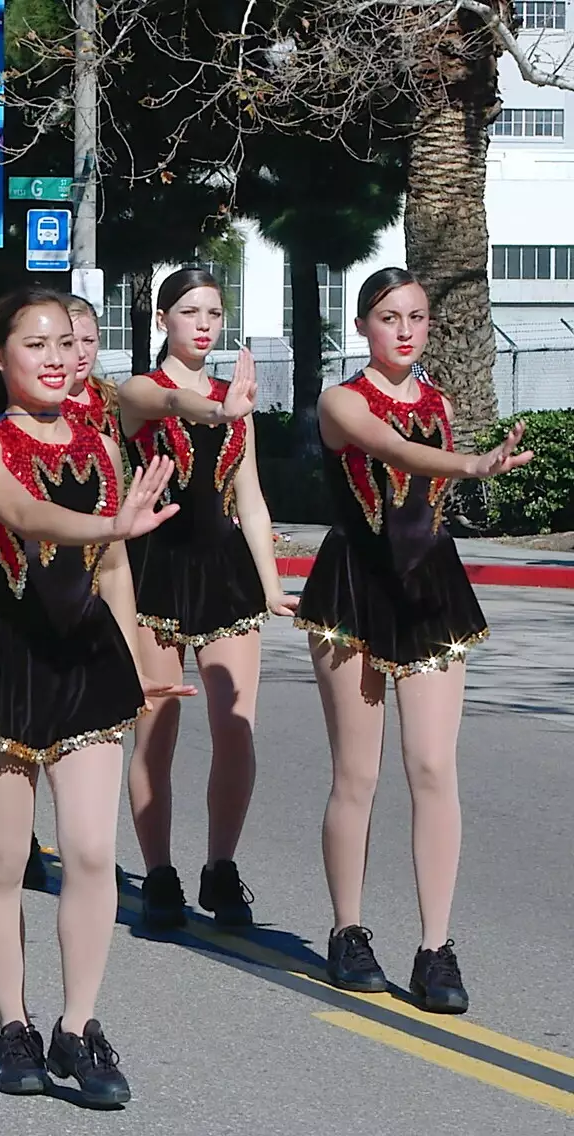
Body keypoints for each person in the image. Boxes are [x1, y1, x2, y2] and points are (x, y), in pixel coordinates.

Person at [0, 286, 193, 1103]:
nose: (57, 358)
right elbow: (29, 513)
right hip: (0, 660)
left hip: (87, 664)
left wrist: (139, 658)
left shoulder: (103, 449)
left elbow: (113, 572)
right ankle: (13, 1023)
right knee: (2, 859)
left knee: (93, 852)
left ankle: (78, 1025)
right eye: (34, 345)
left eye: (67, 344)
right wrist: (111, 528)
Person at [297, 269, 531, 1013]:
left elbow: (420, 474)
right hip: (355, 588)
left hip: (431, 586)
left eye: (418, 317)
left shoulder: (440, 402)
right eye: (390, 317)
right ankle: (348, 929)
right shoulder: (342, 401)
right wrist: (469, 464)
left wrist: (464, 460)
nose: (406, 330)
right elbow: (390, 449)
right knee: (357, 775)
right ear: (364, 325)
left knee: (432, 765)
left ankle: (435, 946)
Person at [115, 268, 295, 932]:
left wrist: (272, 585)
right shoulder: (139, 389)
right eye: (190, 311)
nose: (204, 323)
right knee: (156, 733)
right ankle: (158, 874)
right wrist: (218, 410)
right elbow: (169, 407)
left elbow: (248, 495)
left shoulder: (235, 398)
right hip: (155, 571)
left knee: (235, 728)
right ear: (163, 318)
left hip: (224, 575)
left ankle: (221, 867)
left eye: (214, 313)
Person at [62, 296, 119, 443]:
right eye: (69, 343)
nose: (81, 353)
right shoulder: (41, 404)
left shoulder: (109, 397)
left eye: (88, 341)